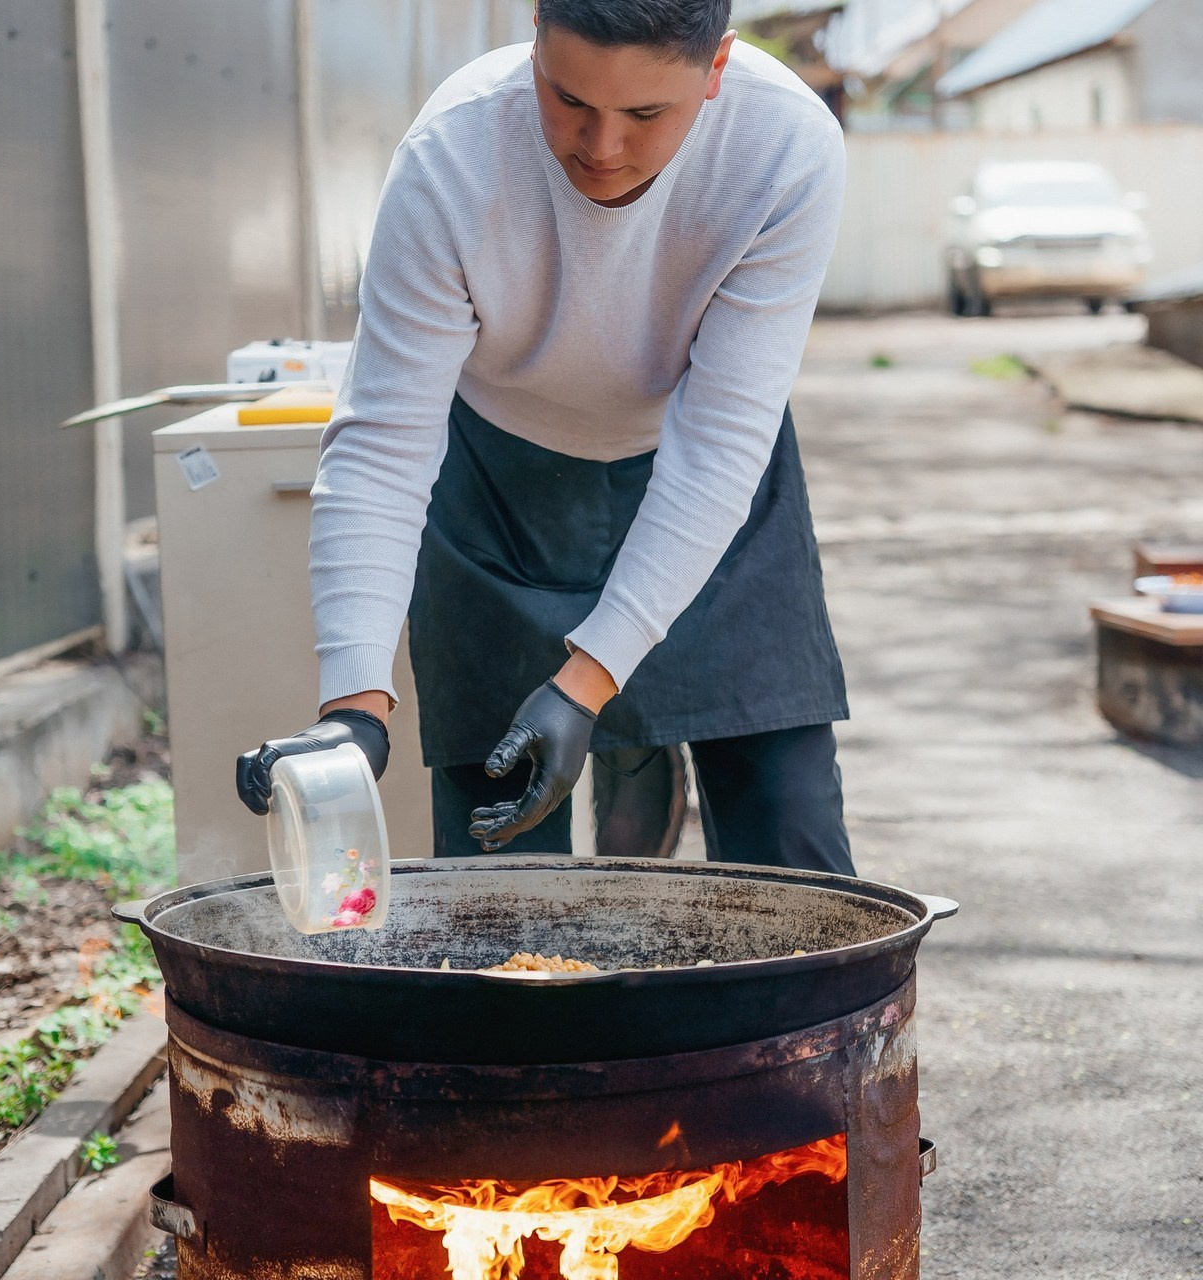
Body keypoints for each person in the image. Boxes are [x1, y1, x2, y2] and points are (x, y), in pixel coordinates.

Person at [237, 0, 855, 876]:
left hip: (702, 471)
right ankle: (628, 785)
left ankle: (640, 764)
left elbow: (720, 447)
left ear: (716, 68)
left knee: (788, 828)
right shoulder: (452, 154)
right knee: (498, 860)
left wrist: (586, 683)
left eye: (646, 114)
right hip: (493, 480)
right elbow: (381, 447)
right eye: (569, 101)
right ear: (534, 31)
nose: (602, 148)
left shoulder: (785, 146)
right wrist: (354, 709)